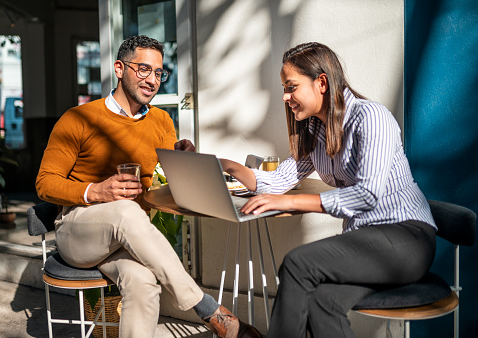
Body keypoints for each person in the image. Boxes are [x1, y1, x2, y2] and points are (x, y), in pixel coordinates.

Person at [36, 35, 261, 338]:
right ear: (119, 68)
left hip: (128, 235)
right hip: (79, 229)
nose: (153, 80)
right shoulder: (78, 119)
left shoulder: (161, 120)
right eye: (143, 69)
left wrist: (184, 160)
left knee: (143, 282)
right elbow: (45, 183)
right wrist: (97, 191)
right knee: (126, 212)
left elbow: (172, 169)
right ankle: (208, 309)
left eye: (158, 72)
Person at [220, 42, 436, 338]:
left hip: (405, 240)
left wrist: (292, 202)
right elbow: (277, 182)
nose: (286, 97)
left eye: (291, 87)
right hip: (366, 243)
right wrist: (225, 164)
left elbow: (367, 194)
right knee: (323, 302)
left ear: (321, 82)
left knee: (298, 263)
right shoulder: (316, 133)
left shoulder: (370, 117)